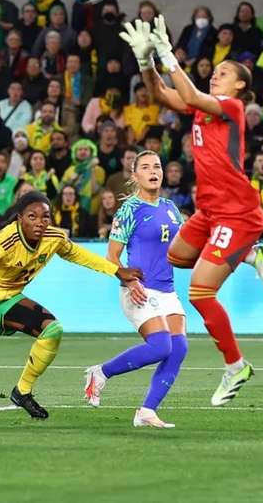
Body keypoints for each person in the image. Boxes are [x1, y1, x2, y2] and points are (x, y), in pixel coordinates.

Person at [121, 16, 263, 407]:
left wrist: (167, 54)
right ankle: (252, 255)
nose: (216, 75)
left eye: (224, 73)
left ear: (240, 85)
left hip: (237, 212)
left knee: (200, 291)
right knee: (176, 256)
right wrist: (147, 63)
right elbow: (160, 95)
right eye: (216, 71)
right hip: (208, 211)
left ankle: (235, 364)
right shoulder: (201, 111)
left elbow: (189, 95)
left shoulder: (233, 107)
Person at [0, 191, 144, 427]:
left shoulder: (54, 238)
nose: (40, 222)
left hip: (7, 298)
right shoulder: (6, 239)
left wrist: (117, 271)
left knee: (52, 330)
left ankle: (22, 391)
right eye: (32, 216)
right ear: (20, 218)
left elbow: (79, 255)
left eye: (45, 217)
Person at [84, 150, 187, 428]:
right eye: (145, 167)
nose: (153, 171)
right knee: (160, 345)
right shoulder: (129, 209)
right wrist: (130, 281)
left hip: (167, 290)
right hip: (139, 289)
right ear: (135, 175)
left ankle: (146, 411)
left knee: (178, 348)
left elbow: (183, 248)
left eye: (157, 166)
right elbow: (112, 257)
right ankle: (101, 373)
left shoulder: (171, 208)